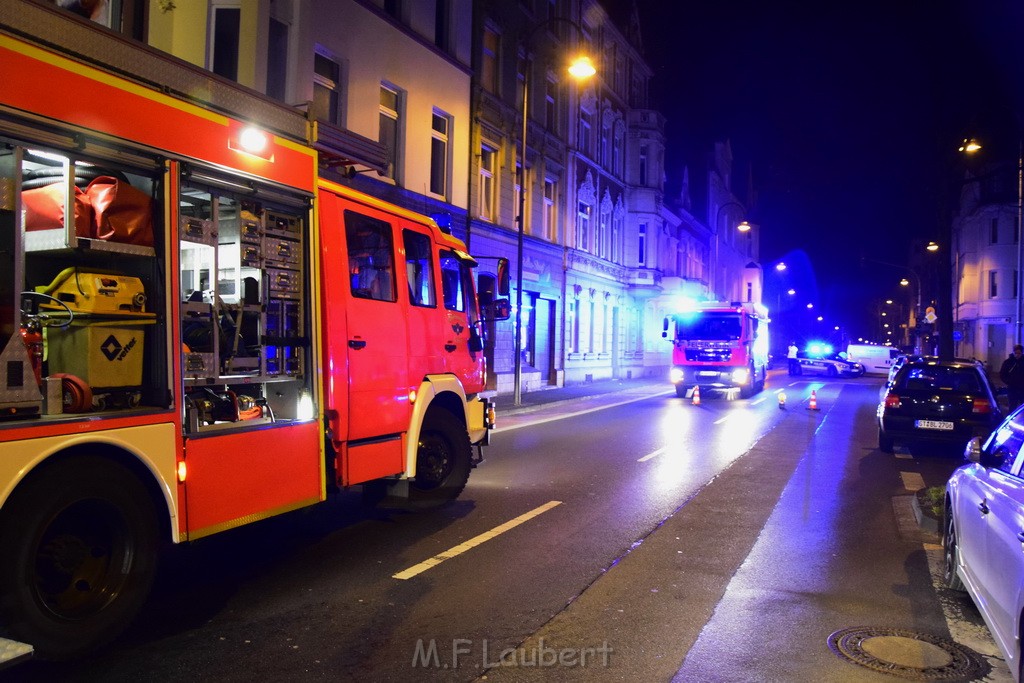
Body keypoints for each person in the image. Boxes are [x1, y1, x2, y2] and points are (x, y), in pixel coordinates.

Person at [999, 344, 1024, 412]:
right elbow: (1002, 374)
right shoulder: (1008, 362)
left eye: (1019, 353)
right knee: (1012, 406)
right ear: (1013, 352)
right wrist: (1008, 381)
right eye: (1016, 353)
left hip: (1022, 388)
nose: (1017, 355)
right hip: (1012, 388)